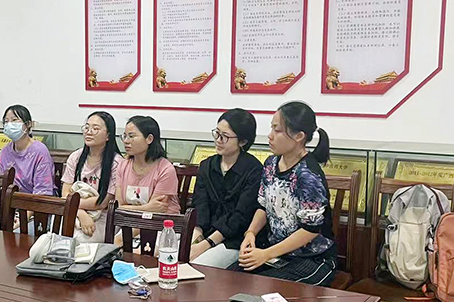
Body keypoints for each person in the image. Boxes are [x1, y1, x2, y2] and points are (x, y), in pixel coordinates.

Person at [228, 101, 336, 286]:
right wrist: (251, 233)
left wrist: (265, 254)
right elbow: (263, 205)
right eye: (272, 128)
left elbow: (310, 230)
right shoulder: (271, 164)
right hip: (277, 254)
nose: (270, 136)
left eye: (277, 130)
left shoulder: (308, 174)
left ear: (299, 136)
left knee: (263, 288)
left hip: (312, 259)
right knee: (230, 279)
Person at [189, 109, 263, 269]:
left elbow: (240, 217)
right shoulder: (207, 165)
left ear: (242, 141)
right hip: (205, 233)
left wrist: (206, 244)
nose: (218, 140)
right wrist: (196, 237)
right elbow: (200, 205)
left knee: (198, 265)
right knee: (170, 254)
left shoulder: (254, 170)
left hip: (234, 240)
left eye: (225, 136)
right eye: (217, 133)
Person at [61, 111, 123, 243]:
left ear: (108, 135)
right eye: (87, 127)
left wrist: (75, 205)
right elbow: (65, 193)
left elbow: (105, 201)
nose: (89, 132)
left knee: (81, 241)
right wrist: (80, 213)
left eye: (95, 129)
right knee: (60, 239)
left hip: (103, 215)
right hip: (74, 212)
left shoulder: (117, 163)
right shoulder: (76, 157)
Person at [0, 105, 56, 232]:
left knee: (14, 236)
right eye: (6, 121)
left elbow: (43, 192)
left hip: (38, 211)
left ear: (28, 124)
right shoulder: (5, 152)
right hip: (14, 210)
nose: (9, 124)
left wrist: (24, 217)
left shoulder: (40, 151)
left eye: (14, 120)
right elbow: (5, 187)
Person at [116, 116, 180, 215]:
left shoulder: (165, 169)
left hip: (159, 222)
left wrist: (126, 208)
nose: (126, 141)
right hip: (127, 221)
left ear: (149, 139)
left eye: (131, 136)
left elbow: (157, 209)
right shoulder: (122, 166)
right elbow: (117, 207)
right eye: (125, 136)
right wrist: (146, 208)